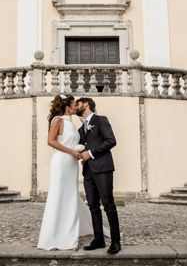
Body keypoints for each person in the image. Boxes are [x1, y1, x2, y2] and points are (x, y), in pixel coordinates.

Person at [37, 94, 106, 250]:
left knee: (70, 196)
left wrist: (80, 150)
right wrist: (71, 152)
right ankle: (56, 236)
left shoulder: (73, 123)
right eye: (74, 104)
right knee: (59, 195)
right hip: (61, 162)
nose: (77, 106)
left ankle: (69, 232)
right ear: (68, 107)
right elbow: (51, 141)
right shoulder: (58, 120)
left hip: (71, 164)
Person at [77, 97, 121, 255]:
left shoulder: (101, 120)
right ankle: (98, 239)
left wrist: (90, 153)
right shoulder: (81, 128)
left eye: (78, 103)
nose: (76, 106)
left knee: (108, 204)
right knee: (93, 206)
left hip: (103, 169)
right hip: (88, 171)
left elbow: (111, 140)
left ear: (86, 104)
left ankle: (116, 241)